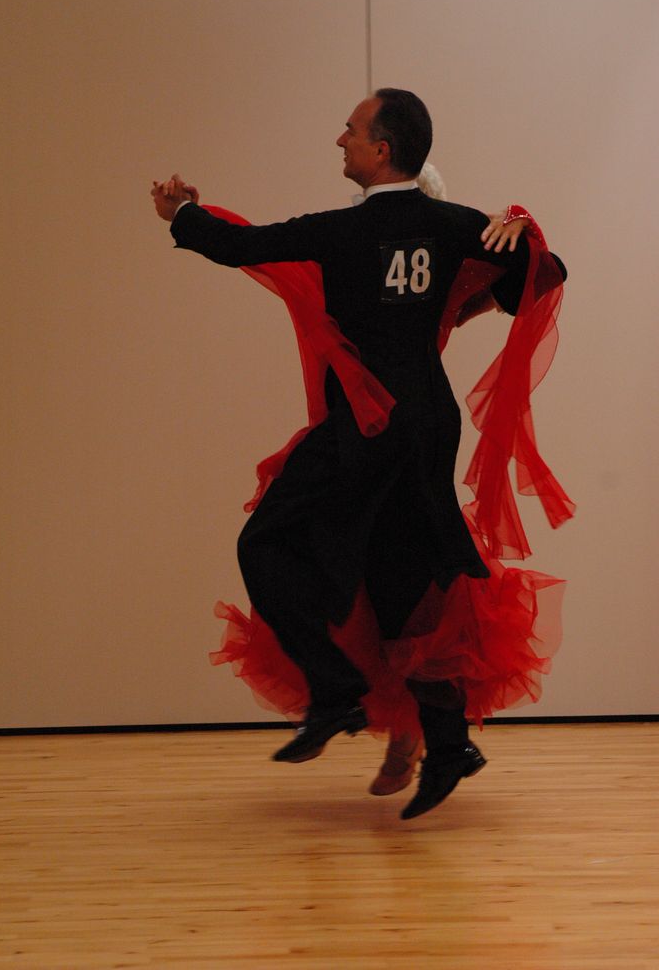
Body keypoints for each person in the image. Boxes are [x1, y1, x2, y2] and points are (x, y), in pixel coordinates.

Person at [152, 88, 570, 819]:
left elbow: (241, 246)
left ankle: (335, 691)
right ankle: (447, 745)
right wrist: (520, 226)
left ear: (383, 149)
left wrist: (181, 213)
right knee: (407, 577)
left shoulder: (342, 232)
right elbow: (546, 275)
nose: (339, 140)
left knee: (265, 543)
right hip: (428, 427)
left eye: (350, 131)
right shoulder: (456, 225)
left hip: (366, 428)